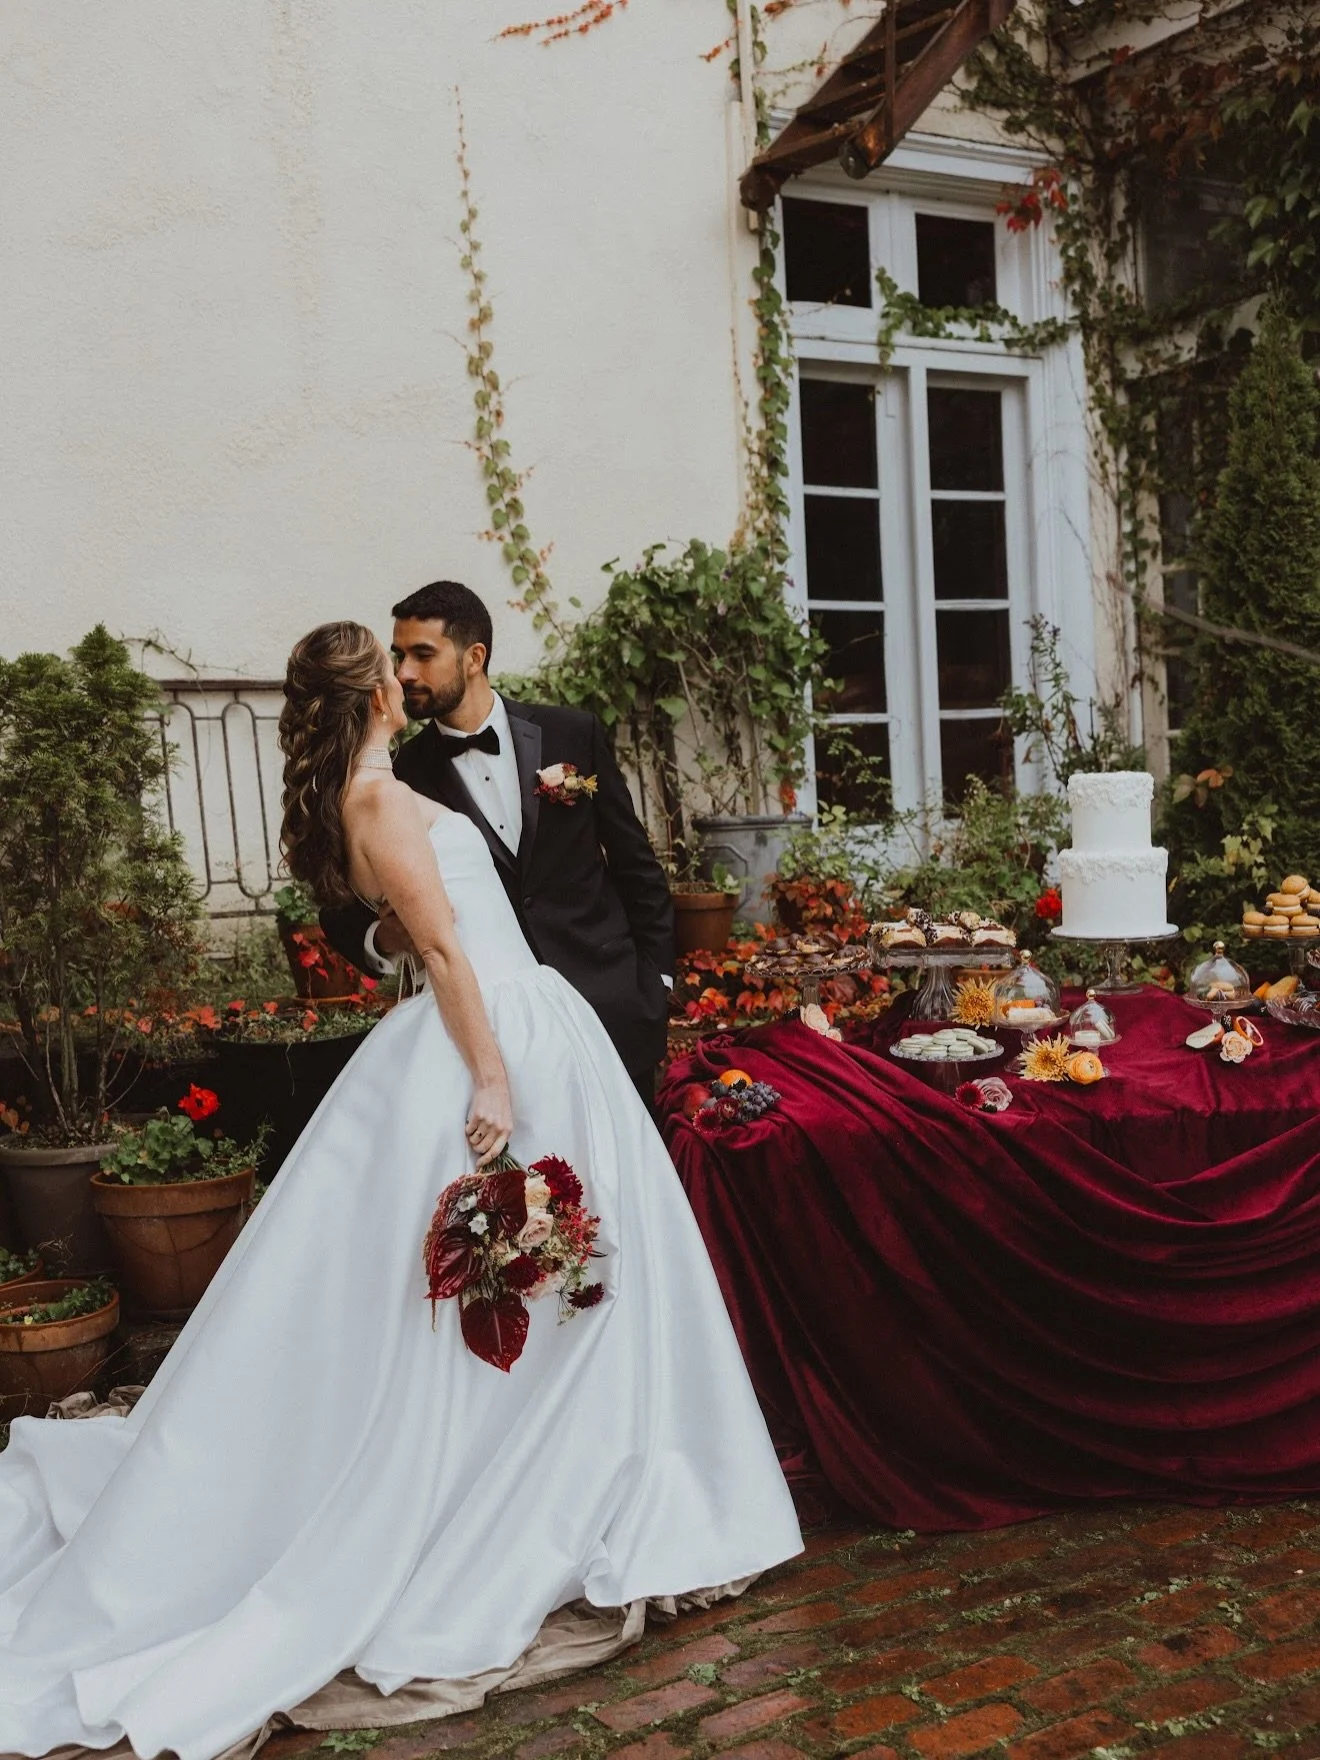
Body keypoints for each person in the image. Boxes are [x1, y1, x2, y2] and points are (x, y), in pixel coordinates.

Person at [0, 621, 801, 1760]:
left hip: (523, 1019)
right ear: (379, 689)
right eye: (396, 663)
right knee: (504, 1274)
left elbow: (399, 928)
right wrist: (489, 1077)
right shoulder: (379, 794)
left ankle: (588, 1464)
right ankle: (513, 1492)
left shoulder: (368, 789)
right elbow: (443, 950)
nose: (408, 674)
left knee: (558, 1273)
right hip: (492, 1036)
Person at [321, 581, 674, 1106]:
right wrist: (387, 939)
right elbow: (338, 907)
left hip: (610, 1007)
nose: (403, 673)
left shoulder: (571, 734)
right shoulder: (401, 776)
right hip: (495, 1025)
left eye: (423, 654)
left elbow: (637, 867)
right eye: (398, 656)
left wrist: (657, 984)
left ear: (473, 657)